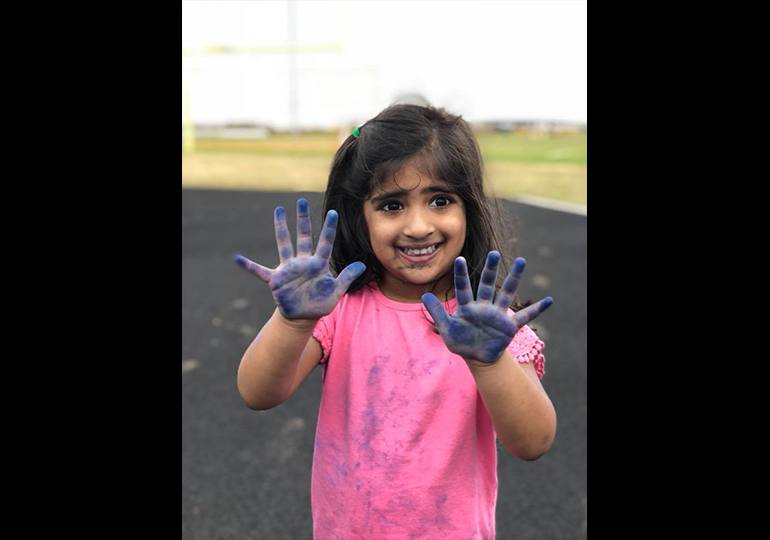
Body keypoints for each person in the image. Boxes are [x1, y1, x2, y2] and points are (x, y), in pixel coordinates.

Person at [234, 104, 556, 539]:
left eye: (440, 200)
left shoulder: (492, 327)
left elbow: (533, 442)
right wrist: (292, 323)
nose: (418, 225)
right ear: (358, 216)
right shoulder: (339, 310)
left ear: (470, 209)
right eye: (392, 205)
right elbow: (258, 393)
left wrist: (488, 363)